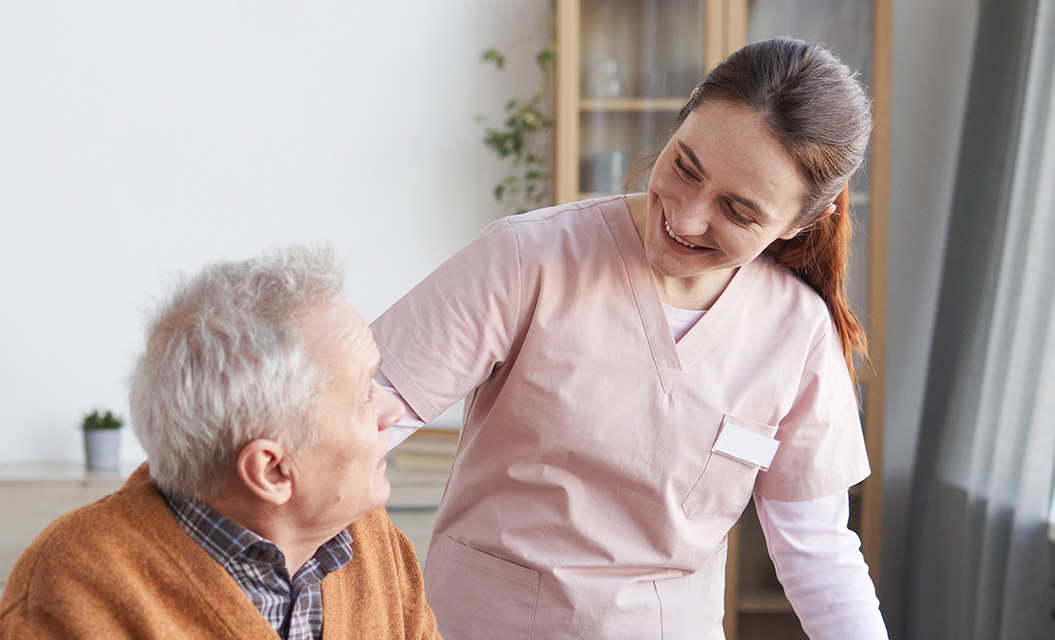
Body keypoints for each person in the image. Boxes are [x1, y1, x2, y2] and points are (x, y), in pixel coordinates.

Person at [372, 38, 888, 639]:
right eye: (684, 167)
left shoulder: (797, 332)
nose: (687, 218)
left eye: (739, 211)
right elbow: (352, 428)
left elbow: (819, 553)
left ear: (802, 223)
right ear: (683, 113)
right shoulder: (527, 260)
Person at [0, 246, 441, 639]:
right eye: (365, 393)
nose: (393, 411)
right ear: (272, 470)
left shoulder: (370, 539)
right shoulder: (71, 595)